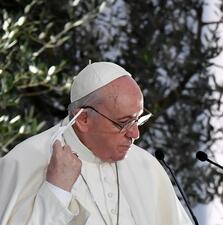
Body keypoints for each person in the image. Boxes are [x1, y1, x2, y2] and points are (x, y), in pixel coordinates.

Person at [0, 62, 194, 225]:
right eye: (124, 123)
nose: (135, 134)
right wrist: (56, 192)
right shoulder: (26, 160)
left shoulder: (146, 166)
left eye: (138, 120)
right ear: (83, 118)